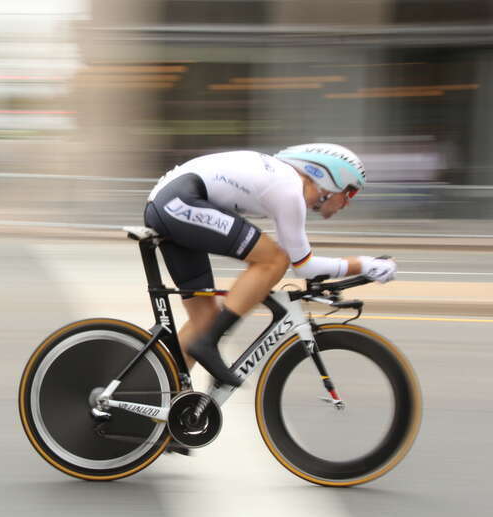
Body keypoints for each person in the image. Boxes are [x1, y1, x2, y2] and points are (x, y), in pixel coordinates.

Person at [143, 143, 397, 387]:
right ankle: (208, 344)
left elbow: (299, 260)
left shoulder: (281, 183)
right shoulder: (289, 189)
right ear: (331, 181)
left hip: (171, 203)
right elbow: (302, 265)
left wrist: (358, 267)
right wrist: (364, 264)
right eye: (350, 192)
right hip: (178, 202)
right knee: (274, 260)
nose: (348, 202)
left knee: (205, 320)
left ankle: (156, 394)